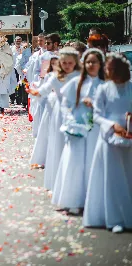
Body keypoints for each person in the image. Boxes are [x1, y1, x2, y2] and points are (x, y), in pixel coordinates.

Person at [51, 49, 105, 214]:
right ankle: (72, 199)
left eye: (94, 62)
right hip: (77, 129)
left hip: (96, 130)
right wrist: (70, 120)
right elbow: (65, 104)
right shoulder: (76, 82)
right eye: (88, 62)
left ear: (100, 64)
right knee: (74, 163)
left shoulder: (105, 85)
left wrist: (95, 104)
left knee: (92, 164)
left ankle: (93, 201)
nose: (91, 65)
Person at [83, 53, 132, 233]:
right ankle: (114, 219)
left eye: (111, 69)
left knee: (128, 177)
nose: (108, 71)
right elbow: (97, 115)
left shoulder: (130, 87)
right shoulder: (103, 89)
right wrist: (113, 125)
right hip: (108, 137)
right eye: (107, 68)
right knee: (112, 179)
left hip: (129, 135)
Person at [26, 47, 81, 191]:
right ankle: (57, 181)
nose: (67, 66)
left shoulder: (79, 76)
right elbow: (43, 91)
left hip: (76, 112)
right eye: (64, 63)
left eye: (70, 63)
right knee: (58, 144)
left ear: (75, 63)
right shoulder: (56, 76)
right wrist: (34, 92)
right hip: (59, 113)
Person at [29, 55, 60, 168]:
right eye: (53, 64)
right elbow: (44, 87)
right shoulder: (50, 75)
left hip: (61, 106)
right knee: (46, 130)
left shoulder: (66, 76)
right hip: (49, 104)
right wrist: (36, 92)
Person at [10, 36, 23, 105]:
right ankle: (12, 98)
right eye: (17, 40)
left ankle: (19, 99)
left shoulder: (23, 49)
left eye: (19, 41)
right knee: (12, 84)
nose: (18, 42)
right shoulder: (11, 49)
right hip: (12, 69)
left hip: (20, 69)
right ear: (14, 41)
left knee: (20, 84)